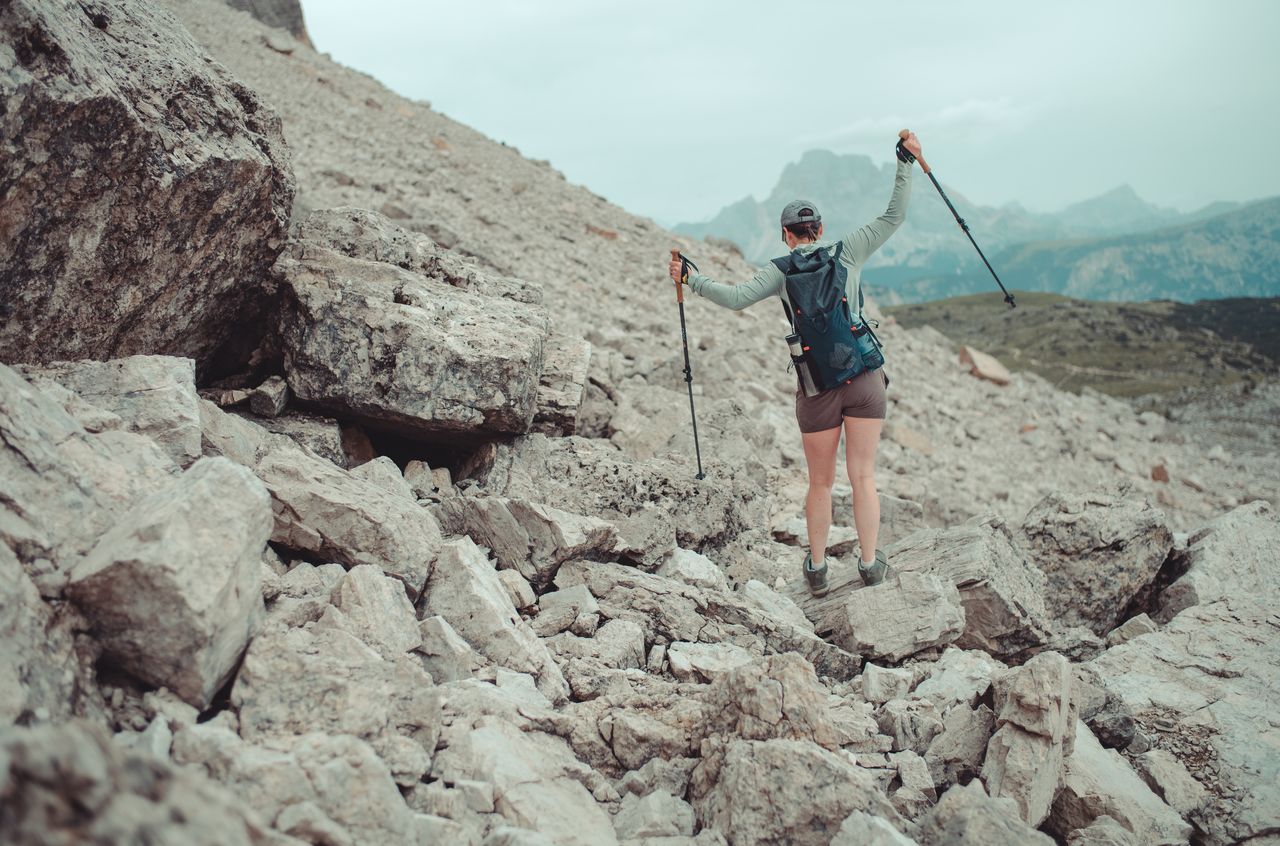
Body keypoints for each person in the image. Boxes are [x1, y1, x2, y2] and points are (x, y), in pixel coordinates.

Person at [668, 131, 921, 596]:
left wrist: (693, 278)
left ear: (786, 234)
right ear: (820, 229)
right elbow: (895, 215)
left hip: (817, 388)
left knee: (820, 483)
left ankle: (819, 569)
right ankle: (869, 564)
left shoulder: (780, 273)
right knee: (863, 476)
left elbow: (737, 298)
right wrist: (905, 161)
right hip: (865, 378)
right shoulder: (851, 250)